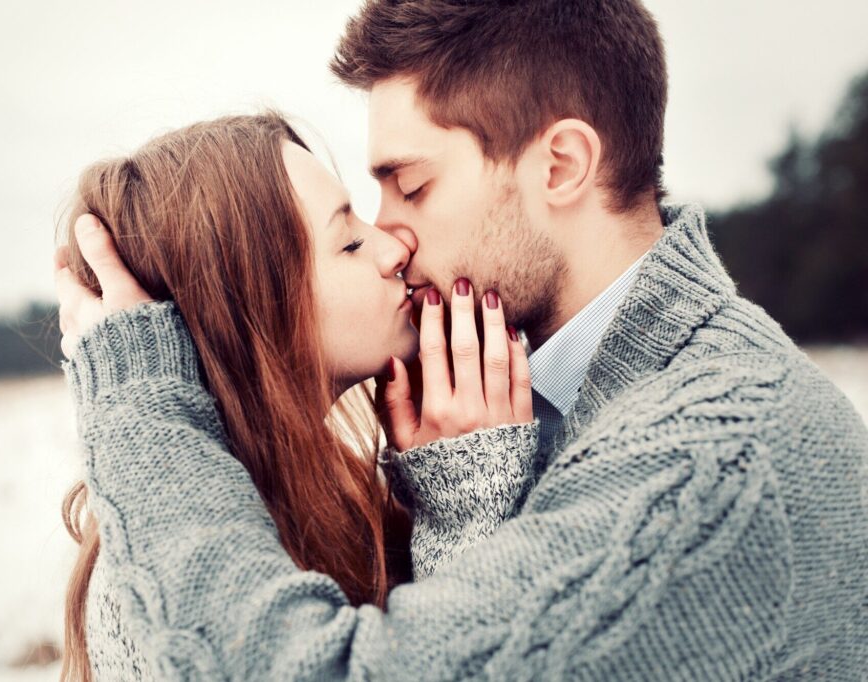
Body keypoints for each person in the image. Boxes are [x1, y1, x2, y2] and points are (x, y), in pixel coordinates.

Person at [55, 0, 868, 679]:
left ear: (559, 167)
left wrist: (143, 415)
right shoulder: (552, 409)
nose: (392, 239)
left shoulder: (709, 461)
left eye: (411, 185)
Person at [54, 112, 536, 682]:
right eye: (350, 242)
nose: (394, 249)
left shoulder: (336, 498)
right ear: (250, 309)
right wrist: (469, 506)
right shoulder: (146, 598)